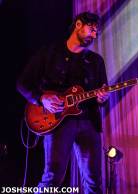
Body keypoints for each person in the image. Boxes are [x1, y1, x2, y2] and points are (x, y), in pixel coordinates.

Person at [17, 12, 109, 194]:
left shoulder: (96, 61)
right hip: (58, 123)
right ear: (78, 25)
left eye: (96, 33)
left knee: (94, 181)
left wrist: (101, 99)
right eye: (91, 29)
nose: (94, 35)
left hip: (88, 122)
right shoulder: (49, 53)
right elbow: (22, 83)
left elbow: (102, 94)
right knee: (52, 178)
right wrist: (42, 98)